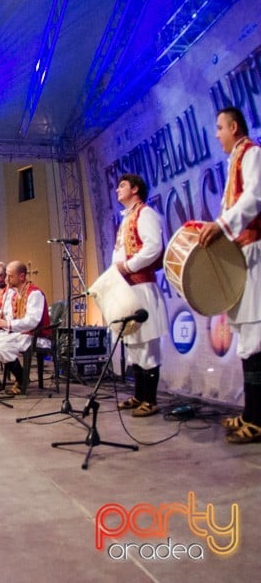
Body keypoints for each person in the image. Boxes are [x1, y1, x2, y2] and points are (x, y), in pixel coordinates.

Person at [198, 106, 261, 443]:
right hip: (245, 256)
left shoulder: (252, 153)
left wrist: (222, 225)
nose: (217, 134)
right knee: (248, 339)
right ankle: (252, 414)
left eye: (220, 127)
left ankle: (258, 419)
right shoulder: (236, 159)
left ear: (234, 127)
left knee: (255, 338)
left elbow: (256, 196)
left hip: (256, 254)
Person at [107, 173, 169, 416]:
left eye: (122, 186)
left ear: (135, 189)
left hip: (142, 288)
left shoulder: (146, 213)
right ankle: (139, 395)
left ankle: (150, 400)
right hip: (128, 289)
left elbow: (154, 247)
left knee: (146, 345)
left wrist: (128, 266)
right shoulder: (126, 219)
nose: (117, 190)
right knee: (133, 344)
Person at [0, 261, 50, 395]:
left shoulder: (34, 293)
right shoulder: (15, 293)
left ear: (22, 276)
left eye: (10, 276)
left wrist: (8, 325)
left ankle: (21, 379)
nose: (6, 279)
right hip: (18, 333)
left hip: (34, 335)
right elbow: (5, 314)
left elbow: (32, 321)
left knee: (1, 348)